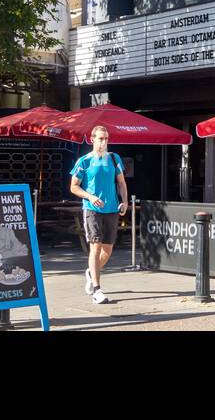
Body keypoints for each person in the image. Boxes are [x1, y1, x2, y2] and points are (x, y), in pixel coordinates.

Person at [69, 125, 127, 305]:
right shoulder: (84, 161)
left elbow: (121, 183)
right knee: (95, 247)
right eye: (101, 138)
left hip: (111, 209)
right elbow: (74, 187)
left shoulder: (114, 158)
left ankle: (90, 272)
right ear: (92, 139)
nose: (104, 142)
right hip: (92, 209)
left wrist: (124, 201)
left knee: (107, 250)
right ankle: (97, 290)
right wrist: (90, 197)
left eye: (106, 139)